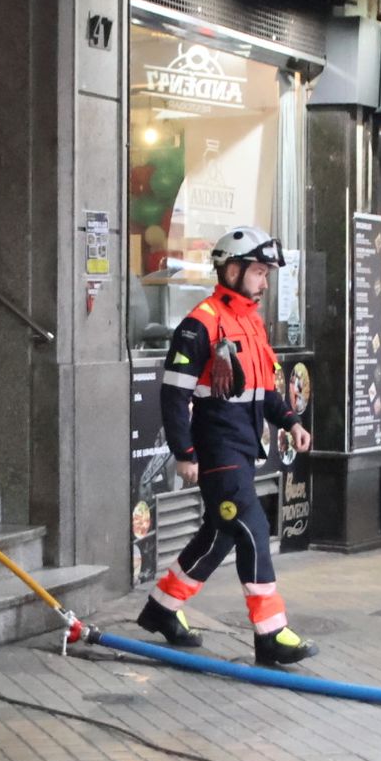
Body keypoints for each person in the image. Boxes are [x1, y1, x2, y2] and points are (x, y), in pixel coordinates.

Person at [136, 226, 318, 665]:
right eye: (258, 272)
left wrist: (291, 421)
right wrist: (184, 453)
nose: (264, 281)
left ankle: (161, 609)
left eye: (266, 274)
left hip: (241, 446)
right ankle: (270, 633)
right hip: (217, 451)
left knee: (218, 535)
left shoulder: (250, 321)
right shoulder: (201, 323)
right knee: (252, 530)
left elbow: (263, 391)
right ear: (232, 270)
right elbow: (173, 395)